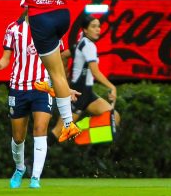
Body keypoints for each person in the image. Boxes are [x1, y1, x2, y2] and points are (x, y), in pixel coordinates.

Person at [21, 0, 82, 142]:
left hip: (40, 15)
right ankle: (48, 81)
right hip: (60, 15)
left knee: (56, 73)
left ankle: (68, 124)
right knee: (56, 64)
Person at [0, 10, 59, 189]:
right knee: (18, 137)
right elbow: (6, 59)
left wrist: (64, 86)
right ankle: (19, 169)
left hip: (41, 87)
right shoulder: (13, 29)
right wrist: (0, 65)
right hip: (18, 88)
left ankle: (35, 177)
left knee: (40, 129)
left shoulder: (51, 29)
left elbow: (57, 63)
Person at [51, 14, 121, 144]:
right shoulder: (88, 45)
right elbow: (95, 71)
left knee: (114, 117)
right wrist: (112, 87)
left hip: (87, 94)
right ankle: (31, 160)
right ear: (85, 30)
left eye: (99, 26)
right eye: (93, 27)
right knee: (58, 132)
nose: (98, 29)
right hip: (77, 94)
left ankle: (78, 132)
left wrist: (65, 75)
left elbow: (63, 56)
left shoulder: (81, 43)